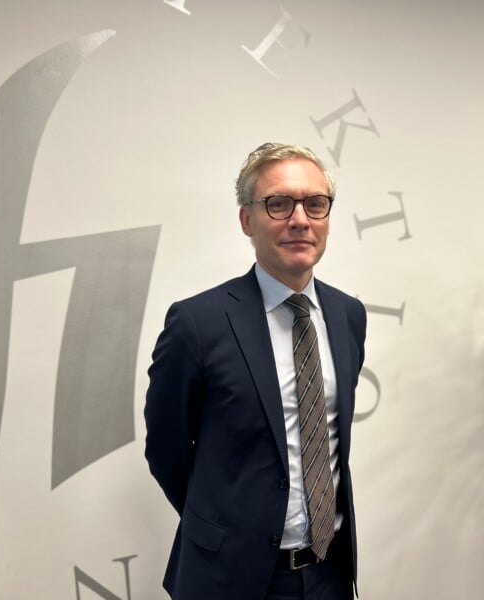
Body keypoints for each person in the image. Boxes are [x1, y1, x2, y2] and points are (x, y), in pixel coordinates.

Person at [145, 142, 367, 600]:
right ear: (247, 220)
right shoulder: (197, 324)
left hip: (329, 575)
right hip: (230, 578)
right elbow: (166, 450)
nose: (300, 220)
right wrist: (222, 527)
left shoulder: (348, 315)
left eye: (315, 203)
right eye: (278, 204)